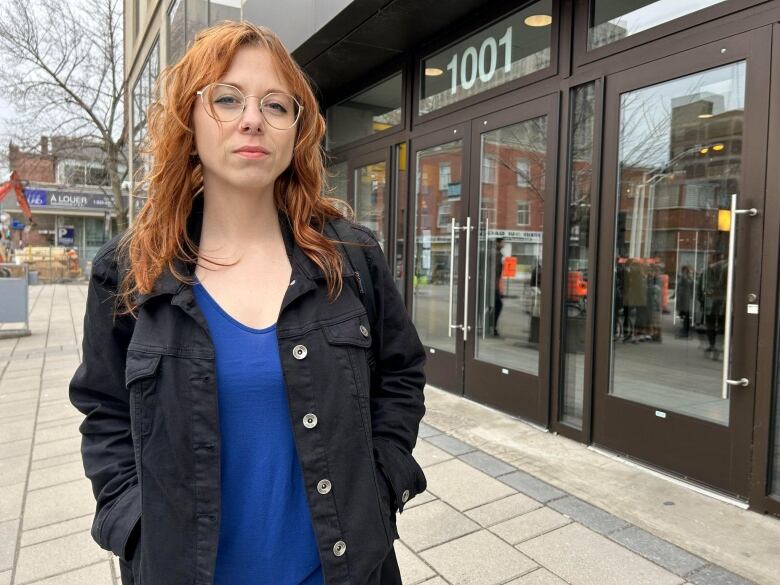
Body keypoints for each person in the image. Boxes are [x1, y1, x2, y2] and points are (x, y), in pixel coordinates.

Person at [69, 22, 427, 585]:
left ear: (295, 130)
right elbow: (103, 409)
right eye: (227, 98)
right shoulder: (131, 271)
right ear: (189, 118)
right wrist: (133, 523)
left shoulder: (350, 255)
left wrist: (381, 482)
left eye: (276, 105)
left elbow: (401, 375)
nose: (253, 119)